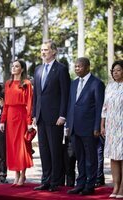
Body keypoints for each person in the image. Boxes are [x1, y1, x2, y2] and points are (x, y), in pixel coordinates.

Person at [32, 39, 71, 192]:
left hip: (56, 118)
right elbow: (36, 95)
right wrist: (34, 114)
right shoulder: (38, 69)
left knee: (55, 150)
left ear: (53, 51)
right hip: (41, 117)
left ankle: (56, 181)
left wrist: (63, 115)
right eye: (41, 50)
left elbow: (65, 94)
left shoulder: (61, 69)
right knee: (44, 151)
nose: (43, 52)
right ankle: (45, 180)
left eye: (46, 50)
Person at [66, 57, 105, 196]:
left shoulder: (97, 84)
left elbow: (99, 107)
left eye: (79, 66)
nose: (77, 69)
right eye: (75, 66)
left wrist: (97, 127)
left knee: (91, 158)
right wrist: (68, 125)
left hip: (89, 128)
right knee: (79, 158)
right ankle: (80, 184)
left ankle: (90, 185)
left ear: (88, 67)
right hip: (74, 128)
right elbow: (71, 105)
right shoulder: (73, 83)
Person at [0, 59, 33, 186]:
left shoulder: (26, 83)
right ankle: (16, 174)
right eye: (12, 66)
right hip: (10, 118)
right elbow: (6, 105)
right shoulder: (8, 84)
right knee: (12, 147)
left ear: (22, 69)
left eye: (17, 66)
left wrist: (29, 121)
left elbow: (29, 103)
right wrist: (2, 121)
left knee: (21, 146)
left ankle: (23, 175)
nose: (14, 68)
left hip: (22, 117)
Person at [101, 60, 123, 198]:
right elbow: (104, 107)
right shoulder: (109, 86)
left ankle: (122, 188)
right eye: (113, 70)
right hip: (111, 126)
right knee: (114, 157)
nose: (115, 72)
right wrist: (102, 125)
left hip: (122, 125)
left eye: (119, 70)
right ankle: (115, 186)